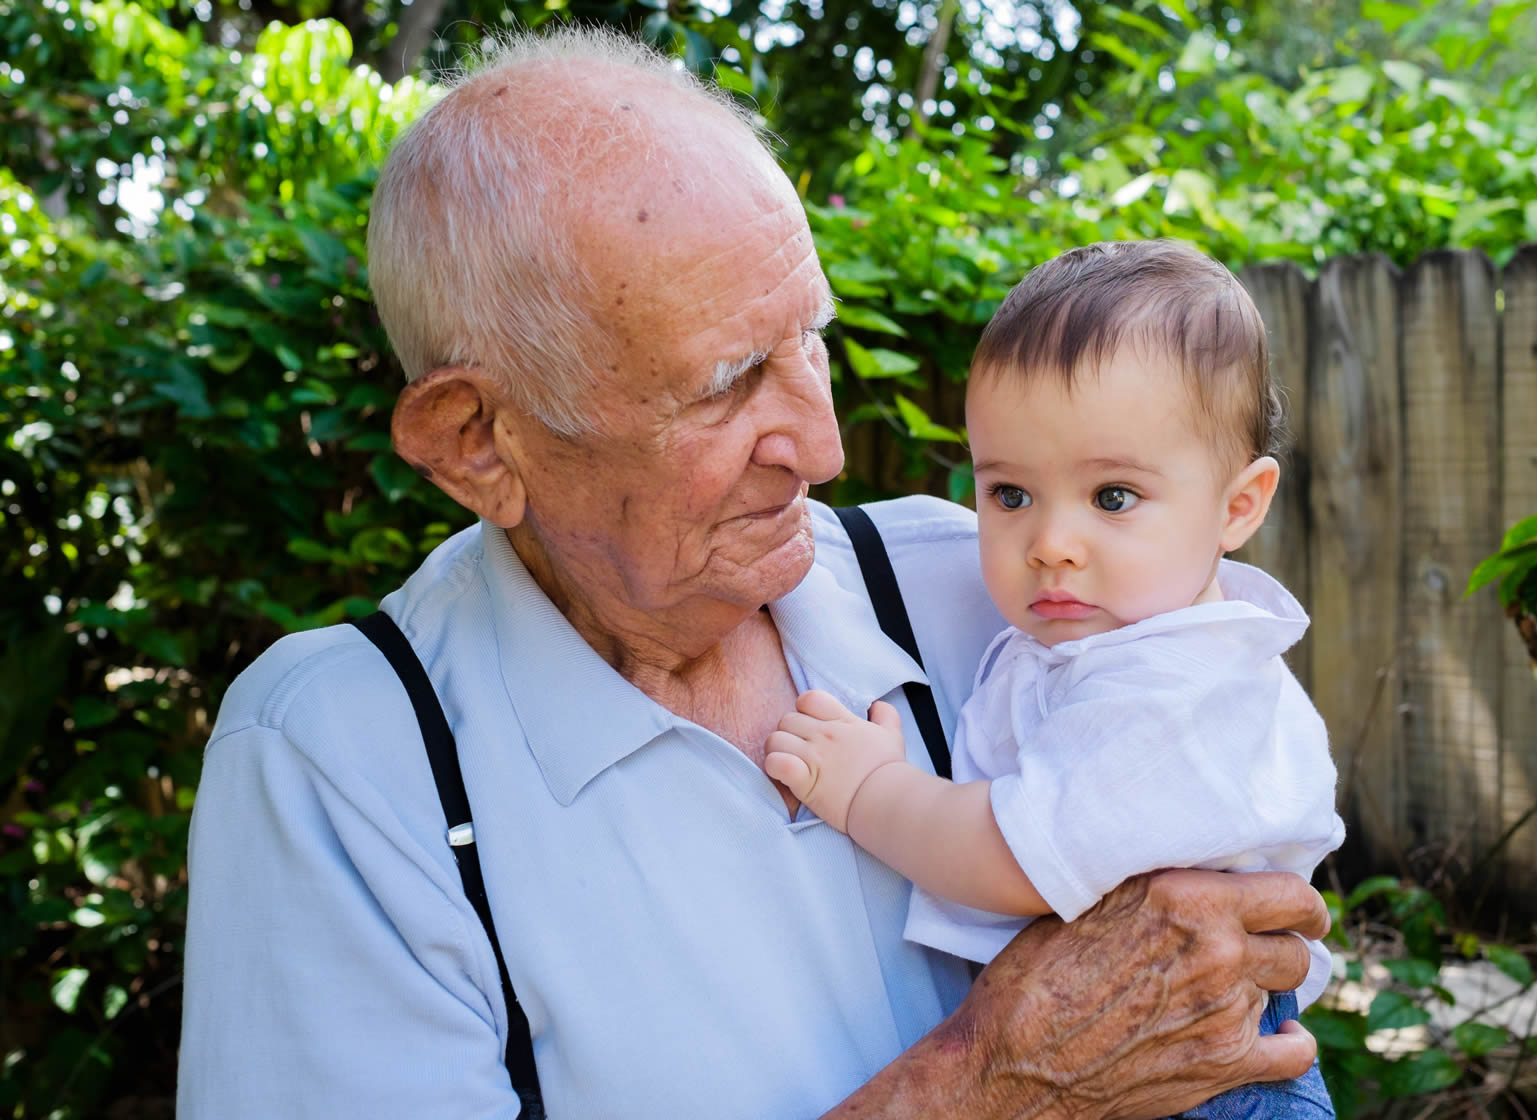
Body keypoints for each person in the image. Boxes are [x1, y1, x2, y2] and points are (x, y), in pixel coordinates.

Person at [176, 29, 1330, 1119]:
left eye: (810, 340)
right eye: (729, 380)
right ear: (480, 440)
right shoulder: (341, 761)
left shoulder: (988, 588)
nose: (823, 450)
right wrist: (984, 1083)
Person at [766, 241, 1345, 1118]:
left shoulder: (1173, 687)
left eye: (1113, 497)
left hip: (1206, 1083)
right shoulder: (1107, 641)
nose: (1050, 542)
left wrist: (870, 789)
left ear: (1239, 506)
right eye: (1009, 495)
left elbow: (1014, 860)